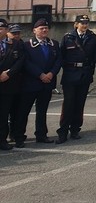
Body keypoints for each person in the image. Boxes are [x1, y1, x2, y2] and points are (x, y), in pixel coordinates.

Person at [14, 18, 62, 147]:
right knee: (24, 111)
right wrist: (40, 74)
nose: (45, 30)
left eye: (46, 28)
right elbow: (26, 63)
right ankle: (19, 136)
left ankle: (41, 135)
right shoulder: (27, 45)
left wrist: (51, 73)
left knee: (42, 110)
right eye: (41, 28)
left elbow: (58, 61)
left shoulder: (54, 44)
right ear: (34, 30)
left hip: (47, 83)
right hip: (31, 83)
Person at [57, 14, 96, 143]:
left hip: (84, 74)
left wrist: (90, 72)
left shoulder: (92, 37)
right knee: (68, 104)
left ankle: (75, 129)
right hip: (70, 74)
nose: (84, 25)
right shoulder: (68, 37)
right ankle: (63, 131)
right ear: (76, 24)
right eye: (82, 23)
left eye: (86, 23)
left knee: (80, 104)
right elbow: (61, 56)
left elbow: (94, 56)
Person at [0, 20, 25, 150]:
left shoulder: (15, 44)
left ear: (6, 30)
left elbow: (20, 61)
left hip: (9, 83)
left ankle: (2, 140)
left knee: (4, 114)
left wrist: (8, 73)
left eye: (2, 28)